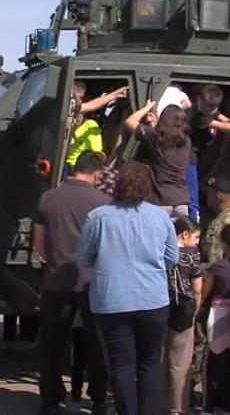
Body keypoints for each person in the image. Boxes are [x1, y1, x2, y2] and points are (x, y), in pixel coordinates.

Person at [77, 162, 178, 415]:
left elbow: (84, 257)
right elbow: (171, 257)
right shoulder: (161, 217)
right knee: (150, 363)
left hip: (112, 299)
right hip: (152, 298)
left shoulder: (98, 217)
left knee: (121, 363)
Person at [33, 151, 111, 415]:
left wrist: (53, 261)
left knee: (52, 345)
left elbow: (39, 243)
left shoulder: (48, 199)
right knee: (97, 343)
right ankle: (99, 398)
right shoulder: (102, 202)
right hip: (90, 284)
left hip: (56, 281)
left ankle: (51, 400)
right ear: (97, 173)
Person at [186, 85, 230, 221]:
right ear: (199, 100)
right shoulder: (197, 115)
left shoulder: (209, 110)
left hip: (199, 151)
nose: (208, 111)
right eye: (205, 108)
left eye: (211, 109)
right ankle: (194, 218)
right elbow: (223, 127)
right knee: (192, 191)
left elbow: (223, 119)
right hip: (189, 154)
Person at [201, 224, 230, 415]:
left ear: (222, 244)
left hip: (219, 315)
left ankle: (211, 405)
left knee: (214, 360)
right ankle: (227, 404)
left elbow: (204, 293)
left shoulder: (217, 268)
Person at [164, 216, 203, 415]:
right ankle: (177, 406)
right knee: (180, 361)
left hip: (161, 306)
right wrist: (197, 308)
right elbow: (197, 288)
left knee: (161, 357)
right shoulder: (192, 255)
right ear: (184, 234)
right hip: (183, 309)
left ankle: (157, 401)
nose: (197, 242)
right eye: (196, 237)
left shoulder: (162, 251)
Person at [125, 101, 192, 217]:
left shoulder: (155, 137)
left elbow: (129, 122)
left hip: (161, 199)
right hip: (181, 200)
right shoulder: (186, 142)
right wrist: (154, 124)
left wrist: (147, 107)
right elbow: (166, 138)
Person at [65, 81, 128, 171]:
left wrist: (115, 94)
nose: (80, 101)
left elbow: (93, 105)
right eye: (77, 98)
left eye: (81, 99)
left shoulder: (90, 125)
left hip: (77, 168)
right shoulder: (65, 111)